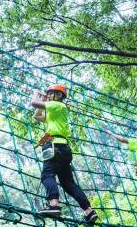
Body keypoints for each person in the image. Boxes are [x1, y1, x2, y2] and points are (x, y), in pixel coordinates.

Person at [31, 84, 98, 223]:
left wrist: (37, 93)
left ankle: (54, 204)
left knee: (47, 175)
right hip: (64, 148)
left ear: (59, 95)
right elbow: (37, 115)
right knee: (68, 184)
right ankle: (88, 211)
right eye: (48, 94)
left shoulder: (58, 105)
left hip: (54, 146)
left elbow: (33, 103)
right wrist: (44, 99)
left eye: (51, 93)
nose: (48, 96)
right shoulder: (54, 111)